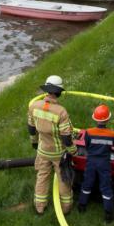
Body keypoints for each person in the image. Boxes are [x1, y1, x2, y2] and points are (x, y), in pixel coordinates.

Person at [26, 75, 77, 215]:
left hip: (42, 151)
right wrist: (73, 150)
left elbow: (31, 127)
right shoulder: (61, 111)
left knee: (42, 177)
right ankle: (66, 208)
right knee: (63, 179)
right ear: (59, 92)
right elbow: (66, 136)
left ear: (46, 90)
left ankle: (40, 207)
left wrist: (34, 142)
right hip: (58, 154)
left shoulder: (34, 106)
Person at [77, 104, 114, 223]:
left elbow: (87, 145)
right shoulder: (112, 134)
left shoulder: (88, 132)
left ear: (94, 119)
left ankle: (81, 206)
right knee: (106, 186)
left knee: (87, 183)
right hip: (104, 163)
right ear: (108, 119)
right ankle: (109, 214)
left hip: (91, 162)